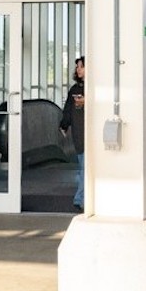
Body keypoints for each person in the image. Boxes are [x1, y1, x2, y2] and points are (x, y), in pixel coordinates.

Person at [60, 57, 86, 211]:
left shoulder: (96, 88)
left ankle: (81, 198)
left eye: (81, 67)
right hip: (79, 133)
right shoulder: (75, 90)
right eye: (77, 67)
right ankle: (81, 198)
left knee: (85, 168)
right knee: (83, 166)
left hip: (90, 134)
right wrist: (64, 125)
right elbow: (68, 110)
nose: (78, 70)